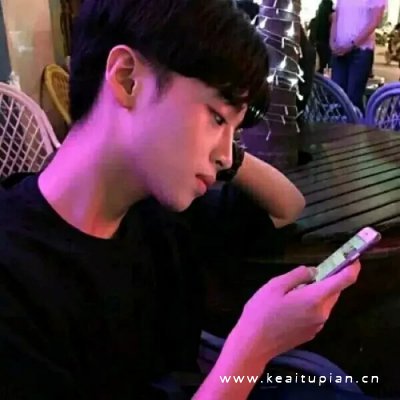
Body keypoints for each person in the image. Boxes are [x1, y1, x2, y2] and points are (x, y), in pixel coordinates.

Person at [0, 1, 360, 399]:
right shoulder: (16, 275)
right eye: (217, 117)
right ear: (127, 79)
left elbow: (287, 206)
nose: (226, 156)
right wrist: (253, 349)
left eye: (234, 131)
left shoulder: (154, 208)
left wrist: (224, 147)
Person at [329, 0, 386, 112]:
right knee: (336, 97)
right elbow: (336, 16)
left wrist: (352, 44)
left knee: (353, 98)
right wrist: (332, 41)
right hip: (339, 50)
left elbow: (374, 22)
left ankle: (358, 122)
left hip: (360, 51)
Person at [313, 0, 334, 73]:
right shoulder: (329, 5)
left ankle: (320, 74)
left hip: (320, 39)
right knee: (328, 63)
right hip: (326, 39)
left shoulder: (321, 6)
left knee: (323, 63)